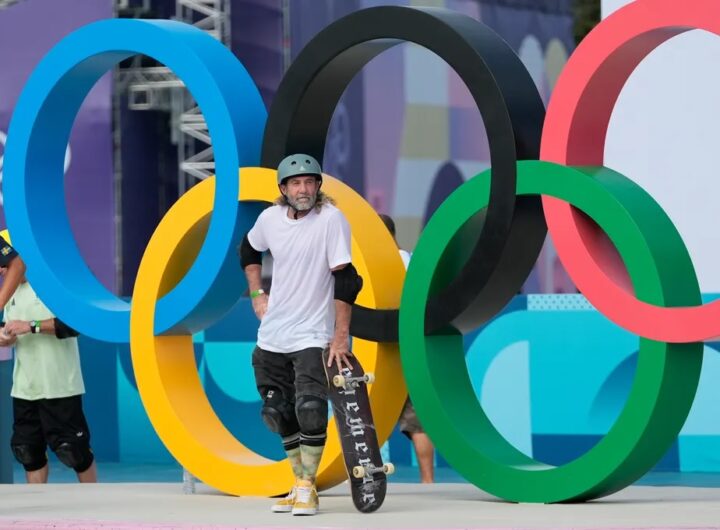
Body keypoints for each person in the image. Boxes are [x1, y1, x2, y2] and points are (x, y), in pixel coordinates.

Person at [239, 154, 362, 516]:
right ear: (283, 189)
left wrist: (340, 337)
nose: (304, 189)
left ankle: (308, 486)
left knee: (309, 408)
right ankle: (299, 484)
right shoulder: (270, 219)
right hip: (272, 333)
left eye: (310, 182)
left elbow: (346, 279)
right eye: (296, 183)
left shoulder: (331, 219)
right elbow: (248, 249)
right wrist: (257, 294)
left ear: (318, 186)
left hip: (312, 332)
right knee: (277, 412)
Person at [0, 231, 97, 484]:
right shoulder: (9, 296)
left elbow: (74, 325)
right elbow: (12, 332)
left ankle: (95, 505)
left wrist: (30, 326)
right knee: (28, 453)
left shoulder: (51, 288)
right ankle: (35, 514)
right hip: (24, 389)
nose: (2, 271)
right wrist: (6, 338)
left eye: (5, 265)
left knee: (75, 453)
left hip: (60, 386)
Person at [379, 214, 435, 484]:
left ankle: (363, 476)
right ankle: (428, 480)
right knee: (417, 422)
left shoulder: (376, 262)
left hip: (382, 348)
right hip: (411, 347)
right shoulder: (411, 259)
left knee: (369, 414)